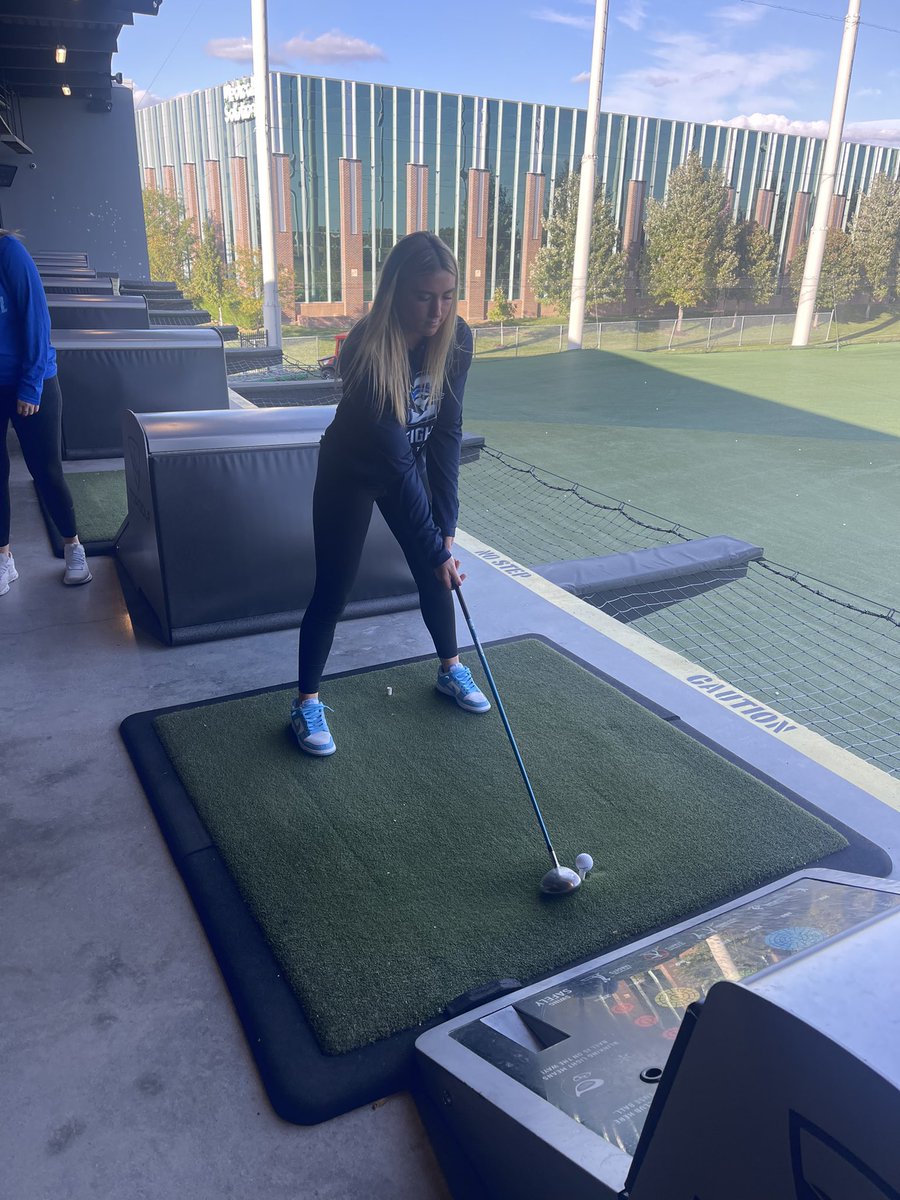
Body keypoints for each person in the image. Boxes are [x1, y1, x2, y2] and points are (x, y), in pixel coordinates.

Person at [293, 231, 489, 757]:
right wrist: (433, 547)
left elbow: (447, 431)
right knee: (335, 587)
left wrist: (445, 527)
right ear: (396, 292)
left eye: (448, 297)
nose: (437, 310)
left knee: (436, 570)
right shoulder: (364, 350)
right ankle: (305, 702)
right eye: (425, 296)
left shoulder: (457, 339)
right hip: (351, 473)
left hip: (408, 463)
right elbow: (395, 463)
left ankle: (450, 669)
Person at [0, 230, 91, 594]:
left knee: (46, 471)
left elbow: (36, 319)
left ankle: (73, 545)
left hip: (30, 380)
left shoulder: (8, 251)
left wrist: (30, 384)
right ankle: (4, 559)